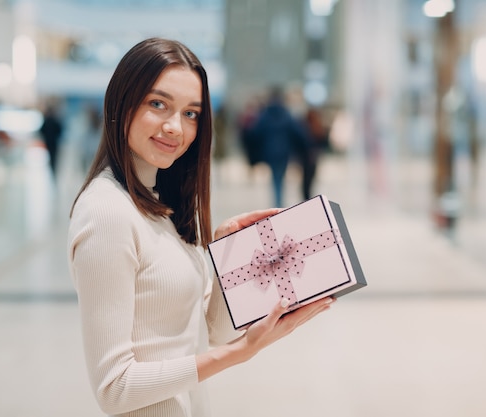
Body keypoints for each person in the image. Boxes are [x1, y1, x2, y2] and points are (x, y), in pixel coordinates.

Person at [67, 37, 334, 417]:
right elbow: (115, 389)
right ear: (121, 103)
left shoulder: (162, 202)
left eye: (191, 113)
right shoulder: (107, 213)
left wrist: (226, 258)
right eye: (158, 104)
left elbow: (204, 333)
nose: (175, 127)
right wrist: (240, 353)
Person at [252, 86, 312, 207]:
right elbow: (297, 132)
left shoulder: (265, 115)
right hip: (284, 152)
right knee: (280, 177)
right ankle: (279, 203)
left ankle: (277, 202)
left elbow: (255, 132)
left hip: (270, 153)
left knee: (275, 178)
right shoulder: (286, 114)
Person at [39, 100, 64, 179]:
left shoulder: (47, 121)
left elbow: (41, 131)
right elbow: (60, 130)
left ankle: (52, 170)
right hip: (53, 143)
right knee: (54, 157)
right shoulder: (53, 120)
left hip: (49, 142)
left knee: (51, 157)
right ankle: (53, 170)